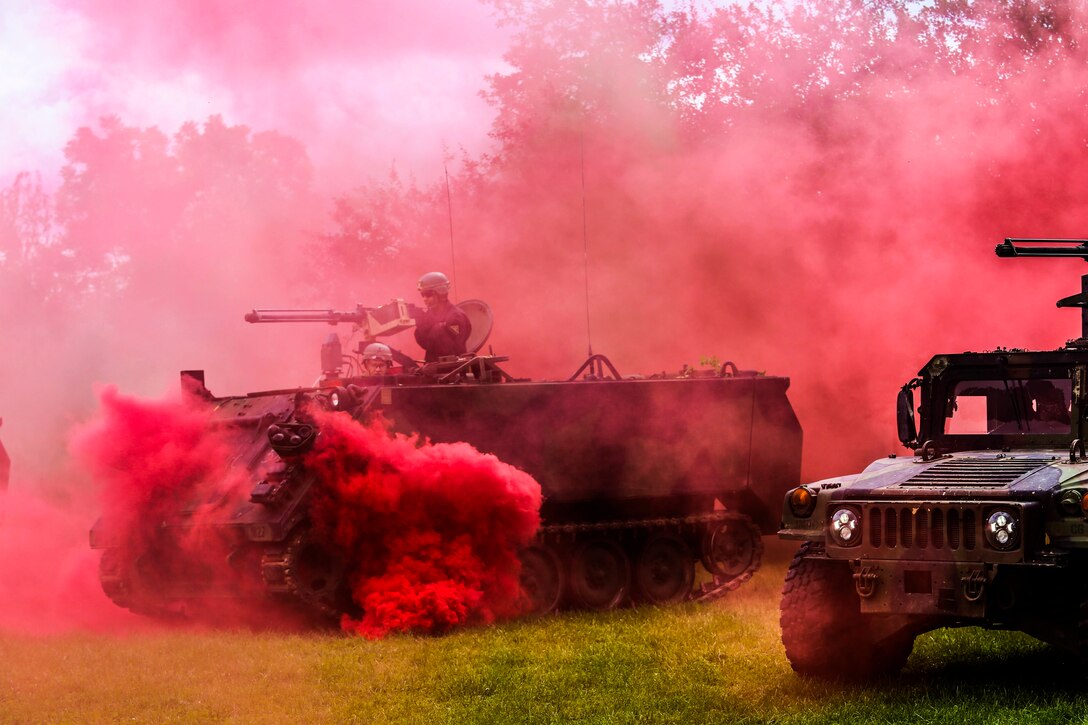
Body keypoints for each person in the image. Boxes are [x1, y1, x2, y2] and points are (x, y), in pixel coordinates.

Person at [414, 271, 471, 363]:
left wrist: (437, 328)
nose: (424, 298)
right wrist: (420, 325)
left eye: (428, 294)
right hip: (433, 369)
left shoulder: (456, 316)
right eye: (422, 295)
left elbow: (451, 348)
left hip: (454, 371)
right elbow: (426, 345)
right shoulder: (429, 315)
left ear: (440, 293)